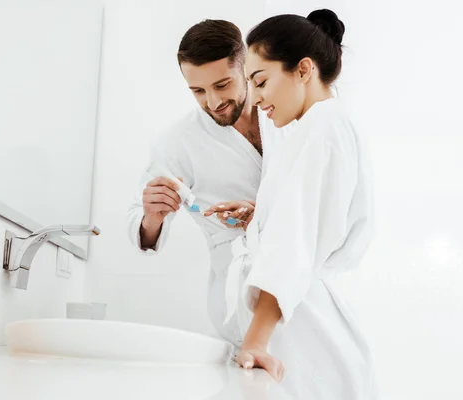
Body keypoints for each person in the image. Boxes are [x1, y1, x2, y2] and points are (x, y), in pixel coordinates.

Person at [207, 9, 378, 399]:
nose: (257, 97)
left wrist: (255, 341)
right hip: (297, 321)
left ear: (303, 69)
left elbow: (295, 240)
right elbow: (304, 221)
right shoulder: (315, 127)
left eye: (261, 81)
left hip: (304, 333)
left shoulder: (325, 126)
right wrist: (260, 218)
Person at [126, 20, 292, 345]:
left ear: (245, 66)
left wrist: (262, 215)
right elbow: (143, 231)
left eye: (222, 85)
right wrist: (152, 217)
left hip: (304, 280)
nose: (213, 102)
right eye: (198, 91)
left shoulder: (287, 115)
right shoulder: (178, 143)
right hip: (243, 296)